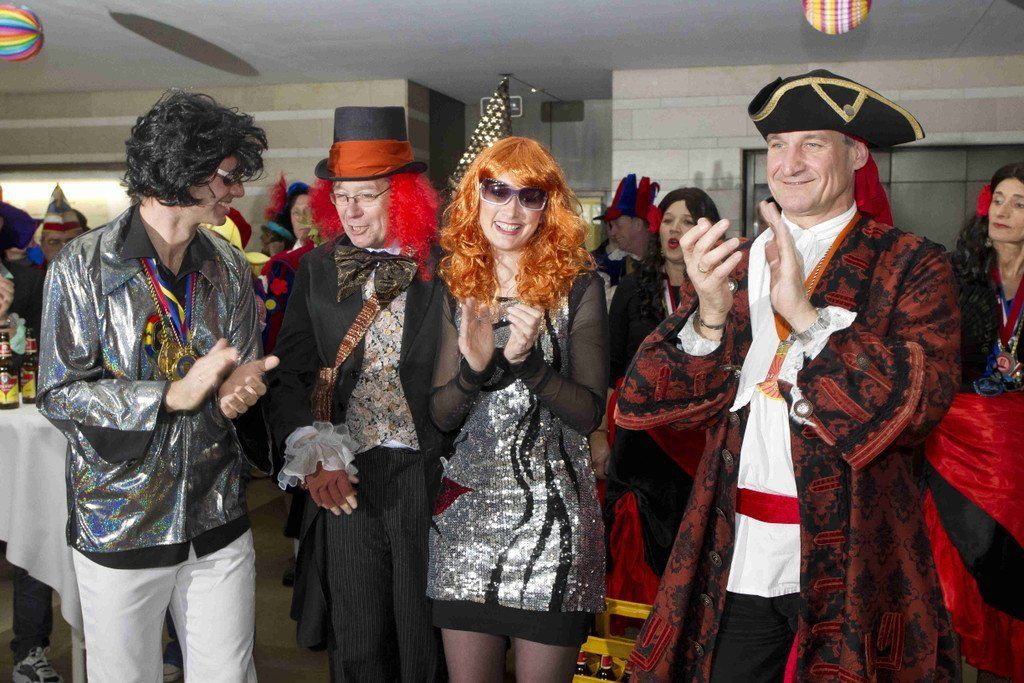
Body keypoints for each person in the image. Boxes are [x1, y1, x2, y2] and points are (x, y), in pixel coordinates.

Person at [616, 69, 960, 680]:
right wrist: (710, 315)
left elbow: (921, 407)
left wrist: (806, 318)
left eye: (812, 143)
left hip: (856, 556)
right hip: (737, 548)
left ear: (857, 154)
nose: (789, 163)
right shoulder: (734, 262)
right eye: (777, 144)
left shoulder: (911, 263)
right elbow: (647, 399)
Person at [36, 91, 275, 682]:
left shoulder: (228, 266)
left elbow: (238, 372)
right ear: (181, 171)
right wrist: (168, 395)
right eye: (226, 176)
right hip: (122, 522)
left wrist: (237, 396)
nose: (236, 190)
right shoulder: (81, 266)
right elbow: (59, 392)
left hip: (216, 514)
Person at [268, 105, 447, 681]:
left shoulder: (450, 266)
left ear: (404, 197)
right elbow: (291, 372)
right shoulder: (318, 268)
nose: (351, 211)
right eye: (341, 196)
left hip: (431, 473)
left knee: (426, 637)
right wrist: (314, 452)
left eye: (366, 196)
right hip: (346, 472)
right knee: (357, 633)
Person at [428, 136, 608, 681]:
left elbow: (589, 414)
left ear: (548, 208)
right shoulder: (458, 286)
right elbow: (440, 416)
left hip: (554, 524)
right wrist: (474, 370)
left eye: (529, 196)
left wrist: (529, 364)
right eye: (497, 191)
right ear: (475, 198)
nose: (511, 209)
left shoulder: (579, 287)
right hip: (464, 521)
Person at [924, 164, 1024, 682]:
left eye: (1019, 204)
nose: (1003, 212)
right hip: (961, 437)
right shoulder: (957, 274)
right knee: (956, 558)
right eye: (999, 199)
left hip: (1019, 445)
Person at [601, 188, 720, 605]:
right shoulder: (633, 289)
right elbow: (611, 368)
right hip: (638, 438)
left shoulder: (721, 291)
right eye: (669, 219)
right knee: (633, 529)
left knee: (694, 532)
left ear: (706, 230)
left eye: (687, 221)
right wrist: (599, 436)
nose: (675, 229)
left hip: (697, 439)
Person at [2, 204, 59, 683]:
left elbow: (37, 356)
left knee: (32, 526)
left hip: (21, 428)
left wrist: (7, 322)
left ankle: (30, 649)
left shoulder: (24, 278)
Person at [257, 175, 312, 353]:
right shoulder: (277, 263)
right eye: (296, 212)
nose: (302, 218)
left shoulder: (332, 255)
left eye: (309, 210)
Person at [592, 174, 659, 299]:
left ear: (637, 224)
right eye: (611, 225)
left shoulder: (665, 266)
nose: (612, 232)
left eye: (618, 224)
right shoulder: (606, 265)